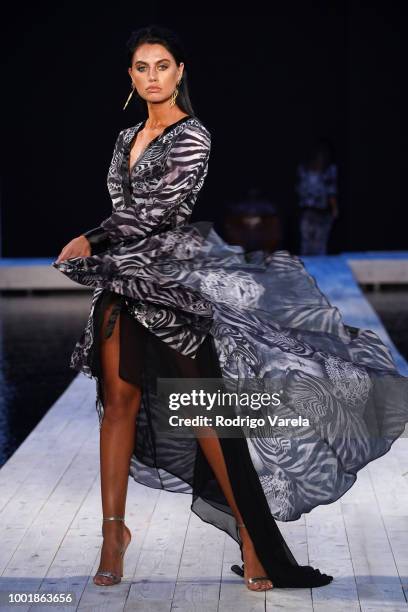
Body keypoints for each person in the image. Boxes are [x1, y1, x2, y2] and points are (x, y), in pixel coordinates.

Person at [54, 25, 408, 592]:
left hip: (172, 289)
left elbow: (155, 210)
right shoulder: (124, 139)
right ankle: (112, 536)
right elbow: (127, 206)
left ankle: (252, 537)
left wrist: (93, 239)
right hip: (122, 283)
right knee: (117, 405)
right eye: (142, 68)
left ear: (180, 71)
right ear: (130, 76)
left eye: (162, 66)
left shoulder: (195, 136)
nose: (152, 77)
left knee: (201, 413)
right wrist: (103, 247)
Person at [296, 140, 338, 255]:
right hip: (308, 210)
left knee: (319, 242)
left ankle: (318, 267)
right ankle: (308, 266)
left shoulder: (328, 170)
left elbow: (331, 190)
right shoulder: (304, 169)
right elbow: (300, 188)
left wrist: (334, 208)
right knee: (307, 242)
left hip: (321, 211)